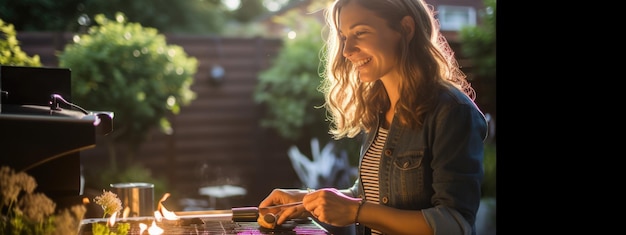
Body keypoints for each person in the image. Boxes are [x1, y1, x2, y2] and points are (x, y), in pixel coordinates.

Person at [257, 0, 488, 234]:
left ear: (405, 29)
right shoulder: (378, 106)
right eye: (344, 36)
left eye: (360, 32)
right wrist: (308, 201)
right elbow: (376, 195)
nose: (347, 51)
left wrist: (356, 212)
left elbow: (455, 224)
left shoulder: (452, 111)